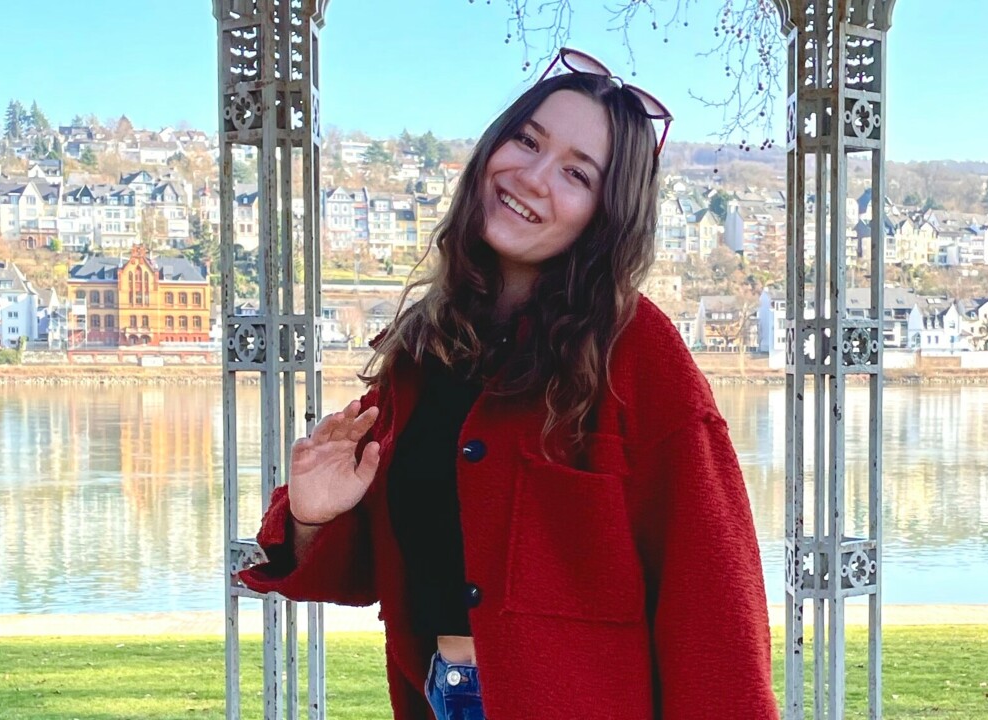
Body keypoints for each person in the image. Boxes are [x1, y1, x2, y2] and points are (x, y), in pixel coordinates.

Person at [238, 47, 774, 720]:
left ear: (606, 213)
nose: (533, 176)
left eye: (577, 173)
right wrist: (316, 516)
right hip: (439, 696)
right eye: (527, 141)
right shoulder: (425, 349)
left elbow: (715, 602)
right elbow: (391, 568)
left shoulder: (637, 352)